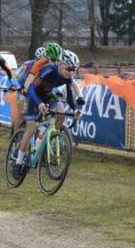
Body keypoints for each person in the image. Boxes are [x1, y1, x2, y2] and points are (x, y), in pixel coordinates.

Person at [12, 50, 85, 179]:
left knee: (61, 111)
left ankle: (50, 139)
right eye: (68, 68)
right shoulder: (50, 70)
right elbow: (31, 89)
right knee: (31, 128)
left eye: (74, 69)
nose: (71, 72)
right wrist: (39, 103)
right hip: (34, 96)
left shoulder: (67, 77)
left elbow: (69, 96)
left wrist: (75, 110)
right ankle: (18, 162)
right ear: (61, 65)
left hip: (48, 95)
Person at [12, 46, 46, 130]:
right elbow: (15, 76)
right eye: (38, 60)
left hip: (34, 91)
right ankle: (15, 136)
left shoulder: (46, 67)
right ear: (35, 58)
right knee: (22, 113)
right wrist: (18, 86)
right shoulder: (28, 64)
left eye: (43, 61)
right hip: (23, 90)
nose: (40, 63)